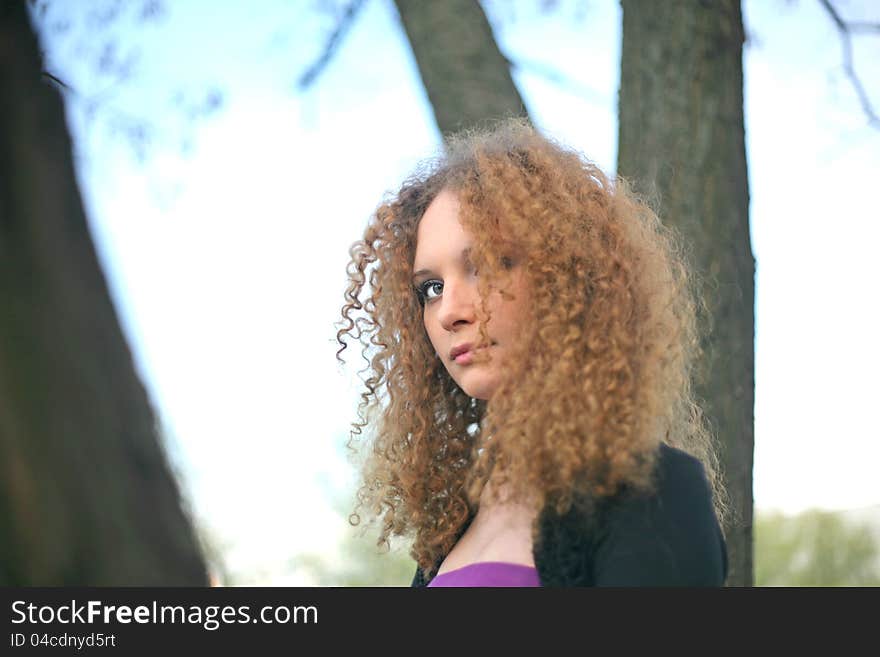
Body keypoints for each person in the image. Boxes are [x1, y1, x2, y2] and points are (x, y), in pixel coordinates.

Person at [335, 118, 730, 587]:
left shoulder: (655, 493)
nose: (449, 313)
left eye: (481, 265)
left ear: (566, 277)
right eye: (432, 288)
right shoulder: (449, 529)